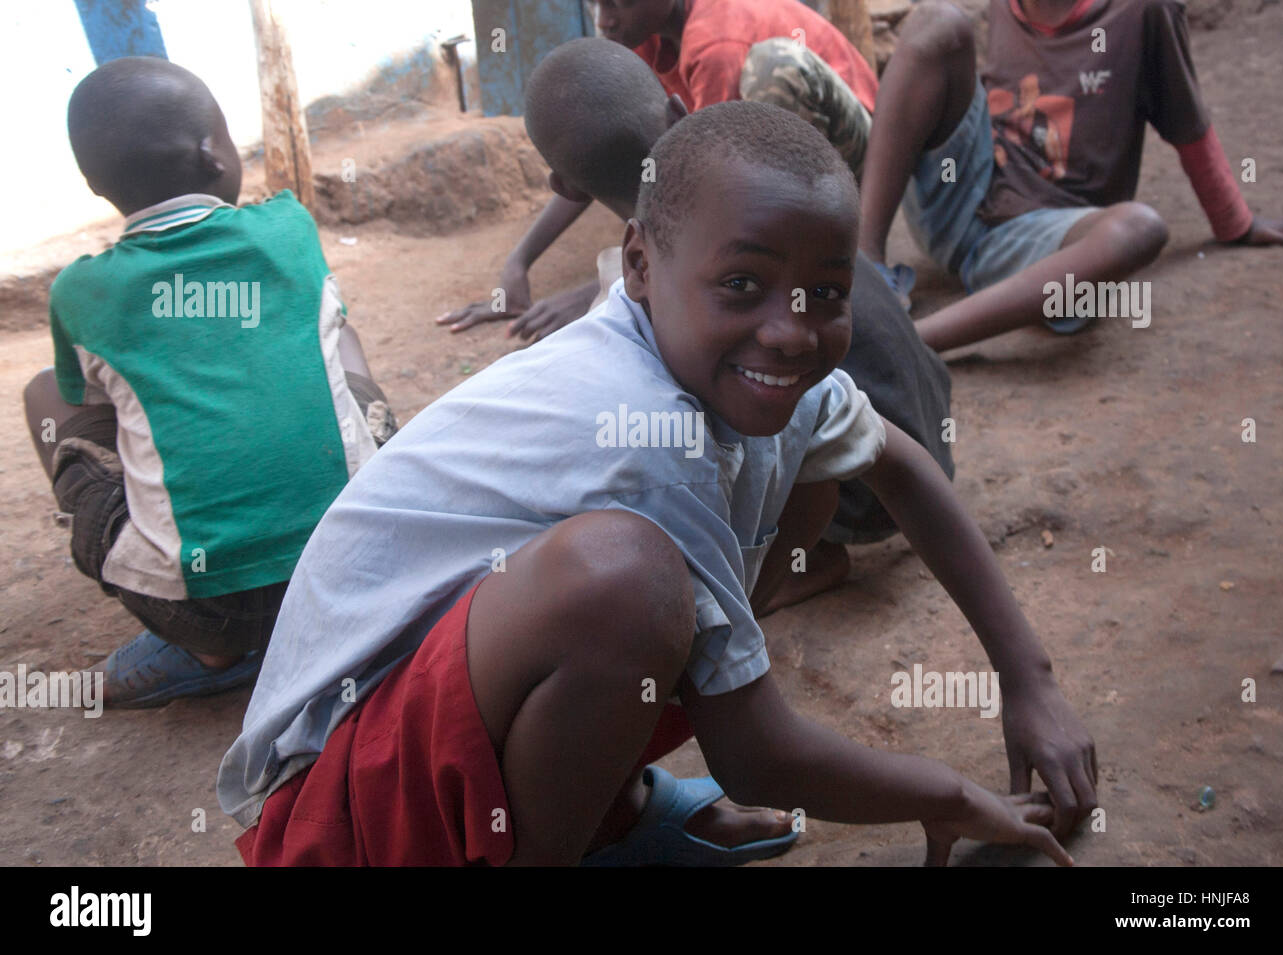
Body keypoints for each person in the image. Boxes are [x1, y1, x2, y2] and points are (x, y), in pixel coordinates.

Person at [220, 101, 1094, 867]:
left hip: (438, 718)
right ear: (638, 265)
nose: (791, 333)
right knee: (627, 580)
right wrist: (946, 796)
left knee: (803, 468)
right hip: (336, 808)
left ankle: (608, 811)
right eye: (742, 285)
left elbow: (898, 464)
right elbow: (756, 755)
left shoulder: (750, 370)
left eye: (826, 292)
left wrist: (1031, 679)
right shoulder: (642, 434)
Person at [520, 37, 954, 605]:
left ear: (566, 188)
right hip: (926, 425)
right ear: (677, 109)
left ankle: (799, 559)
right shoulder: (764, 196)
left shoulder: (666, 286)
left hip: (866, 490)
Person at [23, 57, 394, 708]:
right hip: (352, 565)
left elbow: (90, 404)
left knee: (47, 396)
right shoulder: (289, 228)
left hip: (208, 607)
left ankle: (211, 650)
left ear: (92, 182)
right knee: (338, 343)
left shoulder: (80, 290)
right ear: (214, 155)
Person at [857, 0, 1283, 353]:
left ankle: (913, 345)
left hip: (1043, 240)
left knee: (1138, 228)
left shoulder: (1144, 12)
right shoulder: (1004, 8)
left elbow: (1189, 126)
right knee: (938, 21)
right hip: (962, 195)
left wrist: (1234, 223)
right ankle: (866, 268)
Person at [437, 0, 880, 341]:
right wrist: (520, 262)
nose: (605, 19)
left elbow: (714, 184)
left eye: (619, 3)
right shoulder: (647, 35)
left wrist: (613, 285)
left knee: (768, 78)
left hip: (854, 161)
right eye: (597, 4)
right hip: (758, 150)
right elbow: (598, 148)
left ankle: (841, 253)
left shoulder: (716, 44)